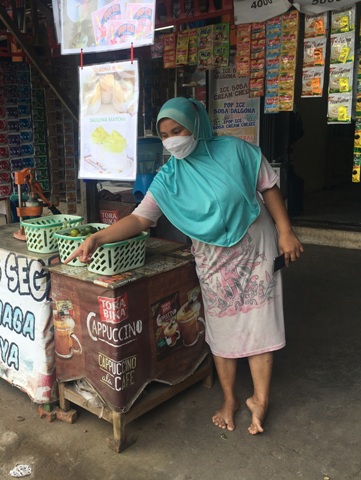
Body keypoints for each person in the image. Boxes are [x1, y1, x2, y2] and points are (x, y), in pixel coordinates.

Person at [66, 97, 304, 435]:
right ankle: (229, 399)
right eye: (164, 135)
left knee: (259, 321)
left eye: (178, 130)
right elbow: (139, 219)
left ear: (197, 124)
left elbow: (269, 188)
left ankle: (260, 400)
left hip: (256, 248)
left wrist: (286, 231)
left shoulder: (237, 152)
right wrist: (99, 238)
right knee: (222, 329)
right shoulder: (169, 177)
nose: (172, 139)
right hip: (213, 259)